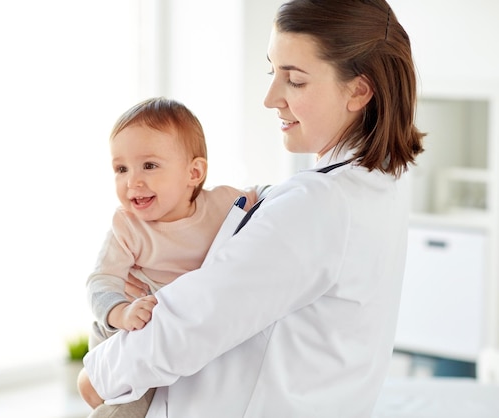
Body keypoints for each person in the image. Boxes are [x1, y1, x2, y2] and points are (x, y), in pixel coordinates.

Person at [79, 0, 425, 416]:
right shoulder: (377, 183)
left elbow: (195, 322)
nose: (270, 98)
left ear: (359, 90)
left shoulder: (320, 204)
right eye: (271, 71)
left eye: (294, 81)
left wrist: (97, 375)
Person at [85, 96, 262, 418]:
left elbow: (265, 200)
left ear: (193, 172)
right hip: (125, 330)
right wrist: (122, 313)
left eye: (149, 165)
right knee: (128, 408)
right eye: (120, 168)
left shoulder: (224, 203)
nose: (132, 181)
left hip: (175, 328)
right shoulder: (127, 226)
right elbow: (100, 282)